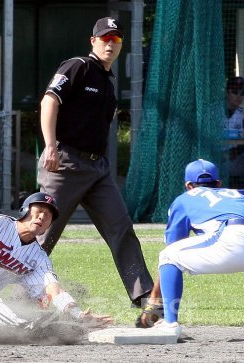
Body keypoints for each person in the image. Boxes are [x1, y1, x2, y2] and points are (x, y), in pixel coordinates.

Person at [36, 17, 153, 308]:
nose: (110, 44)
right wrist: (50, 145)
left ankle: (146, 300)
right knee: (42, 234)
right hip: (65, 164)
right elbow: (49, 101)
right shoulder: (78, 66)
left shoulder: (108, 81)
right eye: (105, 38)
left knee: (121, 228)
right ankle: (20, 301)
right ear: (93, 41)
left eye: (115, 40)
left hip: (97, 168)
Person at [139, 159, 244, 341]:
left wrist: (153, 303)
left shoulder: (184, 199)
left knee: (168, 256)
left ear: (188, 185)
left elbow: (172, 250)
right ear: (219, 183)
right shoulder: (242, 193)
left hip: (235, 238)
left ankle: (169, 323)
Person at [0, 192, 112, 334]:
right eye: (39, 210)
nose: (42, 216)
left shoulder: (39, 259)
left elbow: (53, 289)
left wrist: (77, 315)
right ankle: (28, 330)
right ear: (25, 210)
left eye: (48, 215)